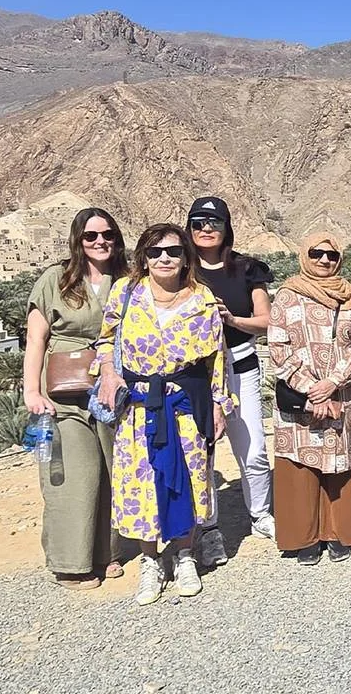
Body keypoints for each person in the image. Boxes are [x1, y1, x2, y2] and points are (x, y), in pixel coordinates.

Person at [94, 224, 231, 606]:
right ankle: (151, 561)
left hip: (186, 406)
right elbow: (105, 340)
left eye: (173, 251)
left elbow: (217, 360)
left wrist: (219, 405)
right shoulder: (125, 293)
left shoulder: (202, 299)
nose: (164, 258)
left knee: (189, 479)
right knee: (142, 484)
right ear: (144, 257)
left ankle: (185, 556)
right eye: (155, 252)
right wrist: (108, 373)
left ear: (186, 257)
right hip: (139, 409)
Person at [22, 208, 128, 590]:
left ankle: (105, 552)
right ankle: (70, 562)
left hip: (112, 388)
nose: (100, 241)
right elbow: (36, 339)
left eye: (107, 234)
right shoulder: (56, 279)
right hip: (63, 392)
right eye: (91, 236)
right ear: (77, 240)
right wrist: (31, 391)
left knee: (112, 470)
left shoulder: (127, 280)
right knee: (76, 475)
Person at [267, 232, 351, 565]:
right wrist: (312, 388)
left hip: (344, 394)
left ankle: (337, 533)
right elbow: (278, 347)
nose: (324, 260)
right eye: (316, 253)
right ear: (304, 255)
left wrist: (333, 382)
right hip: (302, 396)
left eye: (331, 255)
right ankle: (305, 538)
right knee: (302, 465)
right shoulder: (287, 296)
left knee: (342, 461)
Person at [185, 196, 276, 566]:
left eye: (214, 222)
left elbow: (267, 321)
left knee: (252, 448)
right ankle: (208, 528)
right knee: (201, 451)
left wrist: (232, 320)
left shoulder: (247, 268)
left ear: (227, 227)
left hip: (240, 365)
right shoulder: (181, 268)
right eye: (198, 222)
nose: (206, 229)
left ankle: (261, 513)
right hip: (195, 373)